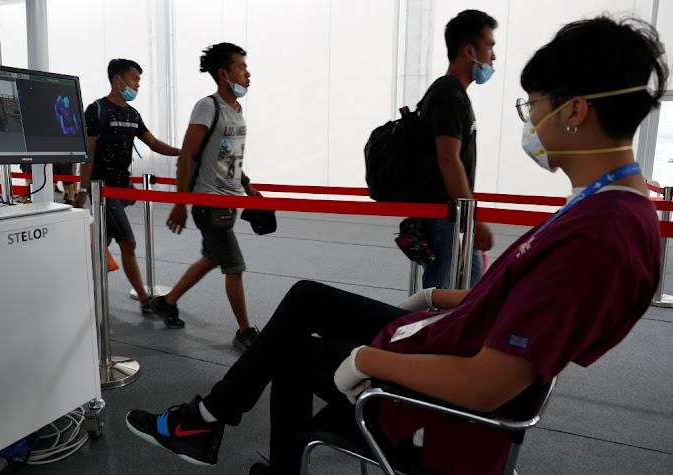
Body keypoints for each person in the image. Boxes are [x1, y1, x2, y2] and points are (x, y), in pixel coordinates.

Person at [125, 15, 667, 474]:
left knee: (291, 353)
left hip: (450, 382)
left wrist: (368, 358)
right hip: (452, 332)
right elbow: (513, 301)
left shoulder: (603, 231)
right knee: (307, 296)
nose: (529, 121)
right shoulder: (601, 205)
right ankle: (208, 419)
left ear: (574, 111)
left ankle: (213, 424)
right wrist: (433, 300)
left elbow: (486, 385)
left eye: (533, 106)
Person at [147, 43, 262, 350]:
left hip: (229, 198)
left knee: (213, 257)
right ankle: (244, 332)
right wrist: (180, 203)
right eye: (241, 67)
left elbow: (228, 155)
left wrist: (247, 184)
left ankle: (167, 302)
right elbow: (186, 156)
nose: (247, 73)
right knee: (234, 265)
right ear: (223, 73)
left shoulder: (236, 109)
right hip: (208, 200)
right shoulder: (207, 106)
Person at [73, 59, 181, 313]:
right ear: (117, 80)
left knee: (103, 242)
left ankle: (77, 285)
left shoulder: (132, 114)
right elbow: (89, 152)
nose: (137, 85)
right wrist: (83, 189)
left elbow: (154, 144)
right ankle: (145, 299)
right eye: (134, 79)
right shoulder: (97, 109)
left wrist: (184, 152)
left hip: (122, 188)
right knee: (128, 243)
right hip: (103, 190)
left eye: (139, 80)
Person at [414, 10, 496, 290]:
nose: (493, 56)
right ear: (469, 50)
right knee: (447, 298)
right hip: (447, 218)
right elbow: (448, 159)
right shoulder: (449, 95)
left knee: (454, 294)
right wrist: (473, 221)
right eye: (490, 46)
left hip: (448, 216)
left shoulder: (451, 93)